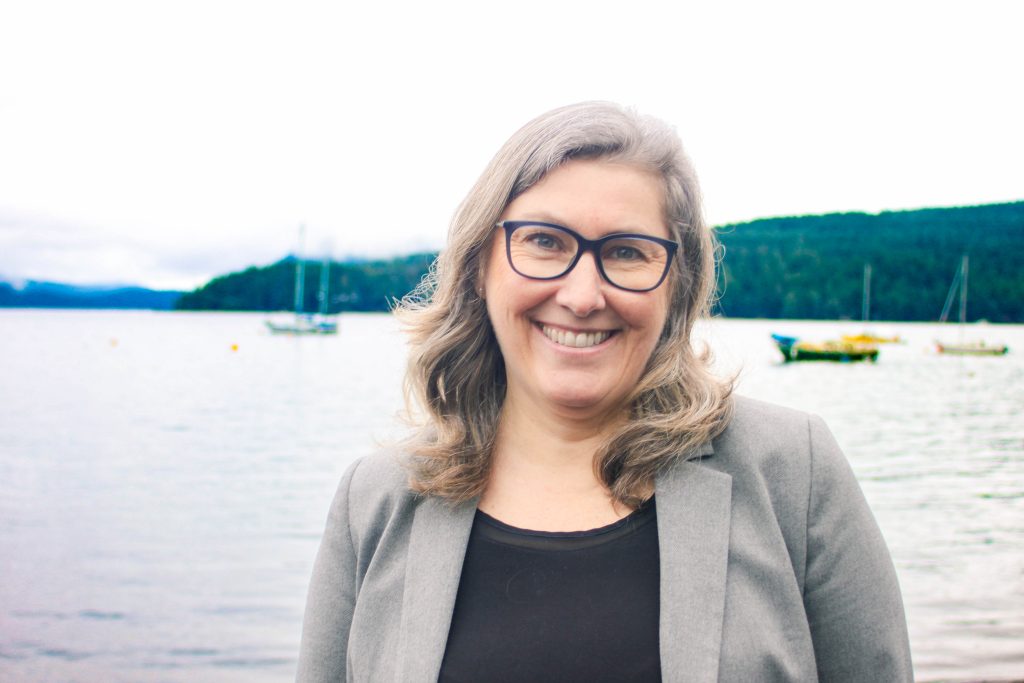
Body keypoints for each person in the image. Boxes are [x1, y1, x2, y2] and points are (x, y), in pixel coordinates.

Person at [296, 102, 913, 682]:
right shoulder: (374, 498)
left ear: (678, 283)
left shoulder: (792, 471)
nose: (583, 295)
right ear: (481, 264)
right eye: (543, 241)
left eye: (626, 252)